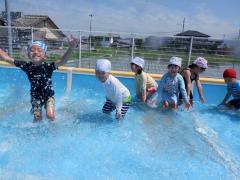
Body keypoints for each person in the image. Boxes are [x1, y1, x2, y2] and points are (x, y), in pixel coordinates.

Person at [0, 36, 79, 122]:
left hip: (49, 96)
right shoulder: (27, 66)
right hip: (35, 97)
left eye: (39, 50)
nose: (35, 52)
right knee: (37, 117)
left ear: (45, 56)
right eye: (32, 50)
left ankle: (52, 130)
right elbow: (6, 58)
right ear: (28, 55)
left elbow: (62, 61)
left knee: (50, 115)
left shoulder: (48, 67)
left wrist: (71, 48)